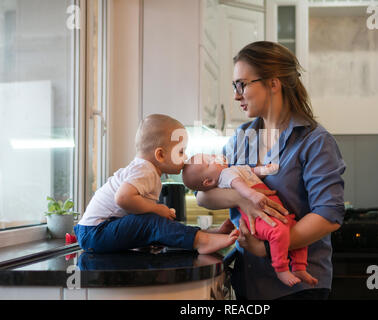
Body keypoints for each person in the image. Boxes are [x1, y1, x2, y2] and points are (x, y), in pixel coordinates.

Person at [195, 41, 346, 300]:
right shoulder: (242, 138)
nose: (236, 94)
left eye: (242, 84)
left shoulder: (315, 141)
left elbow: (328, 215)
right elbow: (204, 194)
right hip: (248, 281)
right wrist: (242, 197)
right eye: (234, 86)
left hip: (298, 286)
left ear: (273, 83)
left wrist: (268, 248)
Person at [74, 114, 238, 254]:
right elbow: (122, 198)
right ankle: (202, 241)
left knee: (156, 224)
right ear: (160, 155)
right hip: (95, 232)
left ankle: (204, 235)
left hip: (96, 231)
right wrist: (156, 208)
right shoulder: (145, 170)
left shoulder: (145, 171)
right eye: (181, 151)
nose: (185, 156)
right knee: (152, 221)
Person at [182, 153, 318, 287]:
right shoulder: (225, 175)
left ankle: (299, 267)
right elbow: (238, 184)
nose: (214, 156)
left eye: (210, 156)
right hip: (259, 216)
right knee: (279, 233)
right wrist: (251, 194)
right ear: (209, 181)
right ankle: (281, 269)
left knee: (296, 230)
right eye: (209, 162)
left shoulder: (232, 169)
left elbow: (251, 172)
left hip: (273, 212)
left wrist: (265, 170)